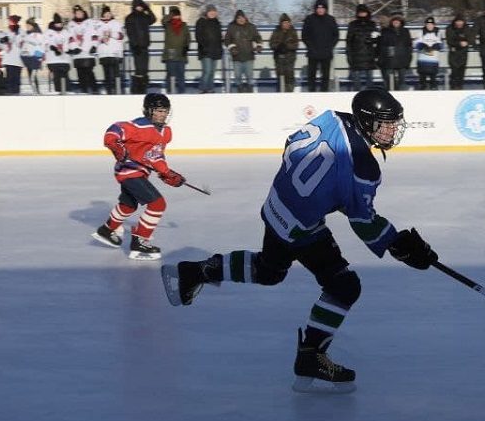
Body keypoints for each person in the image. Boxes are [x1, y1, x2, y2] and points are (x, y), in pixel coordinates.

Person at [159, 87, 438, 394]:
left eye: (394, 123)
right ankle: (311, 358)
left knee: (269, 271)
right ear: (366, 121)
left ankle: (194, 271)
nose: (392, 130)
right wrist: (400, 246)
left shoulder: (332, 119)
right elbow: (365, 222)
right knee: (344, 286)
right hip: (300, 224)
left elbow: (290, 143)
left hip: (278, 202)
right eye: (386, 124)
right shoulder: (363, 166)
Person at [91, 93, 187, 261]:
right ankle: (140, 241)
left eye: (165, 111)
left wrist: (166, 172)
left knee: (128, 205)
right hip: (128, 172)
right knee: (158, 204)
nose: (163, 114)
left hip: (139, 173)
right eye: (159, 111)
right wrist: (116, 146)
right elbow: (114, 131)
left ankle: (106, 230)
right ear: (149, 111)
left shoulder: (165, 132)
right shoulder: (139, 126)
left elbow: (155, 156)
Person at [302, 0, 339, 92]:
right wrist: (310, 47)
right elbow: (304, 35)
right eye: (318, 8)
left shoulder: (331, 19)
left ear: (325, 9)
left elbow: (336, 35)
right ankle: (311, 92)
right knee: (311, 75)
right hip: (313, 53)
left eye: (322, 8)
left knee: (325, 76)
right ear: (315, 9)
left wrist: (330, 46)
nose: (320, 10)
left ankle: (324, 93)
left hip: (326, 53)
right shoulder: (309, 19)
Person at [224, 9, 263, 92]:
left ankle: (250, 91)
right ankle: (240, 91)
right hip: (236, 56)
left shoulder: (251, 27)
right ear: (236, 19)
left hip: (249, 55)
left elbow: (257, 37)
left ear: (245, 18)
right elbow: (227, 40)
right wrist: (232, 48)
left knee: (249, 76)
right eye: (238, 18)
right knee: (237, 76)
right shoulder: (231, 27)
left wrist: (259, 45)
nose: (241, 19)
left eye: (242, 18)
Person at [125, 0, 156, 94]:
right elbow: (130, 33)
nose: (140, 8)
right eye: (138, 6)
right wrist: (135, 44)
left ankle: (144, 87)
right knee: (139, 69)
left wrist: (148, 9)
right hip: (136, 47)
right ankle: (137, 89)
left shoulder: (145, 16)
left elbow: (153, 19)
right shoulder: (130, 17)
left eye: (141, 6)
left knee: (145, 68)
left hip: (145, 46)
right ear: (134, 7)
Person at [345, 3, 378, 90]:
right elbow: (349, 41)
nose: (362, 14)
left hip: (369, 55)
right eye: (360, 12)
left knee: (370, 80)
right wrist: (349, 54)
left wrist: (372, 40)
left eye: (364, 12)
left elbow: (377, 39)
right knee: (356, 80)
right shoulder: (352, 24)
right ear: (357, 13)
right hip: (356, 55)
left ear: (367, 13)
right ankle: (357, 95)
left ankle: (369, 96)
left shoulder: (372, 24)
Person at [66, 4, 99, 94]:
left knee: (89, 72)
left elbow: (94, 35)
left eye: (80, 12)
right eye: (77, 13)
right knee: (80, 74)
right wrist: (74, 47)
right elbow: (70, 37)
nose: (79, 14)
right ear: (74, 14)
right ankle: (83, 92)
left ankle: (94, 91)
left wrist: (94, 46)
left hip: (88, 52)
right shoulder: (71, 24)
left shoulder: (90, 22)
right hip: (78, 54)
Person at [377, 13, 411, 90]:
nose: (396, 22)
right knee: (389, 82)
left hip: (402, 60)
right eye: (394, 21)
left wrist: (408, 60)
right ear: (391, 22)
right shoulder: (385, 31)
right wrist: (381, 60)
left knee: (402, 82)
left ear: (401, 22)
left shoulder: (405, 31)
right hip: (389, 61)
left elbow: (409, 46)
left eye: (398, 21)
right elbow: (382, 46)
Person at [96, 5, 126, 95]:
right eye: (106, 13)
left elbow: (122, 36)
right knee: (107, 75)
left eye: (109, 13)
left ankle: (117, 92)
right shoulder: (98, 24)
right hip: (104, 53)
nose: (107, 15)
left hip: (115, 53)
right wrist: (101, 39)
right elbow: (94, 38)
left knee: (116, 75)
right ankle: (109, 93)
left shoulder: (116, 23)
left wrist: (111, 34)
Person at [195, 4, 223, 93]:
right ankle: (203, 88)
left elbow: (219, 37)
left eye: (214, 12)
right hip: (205, 51)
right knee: (207, 70)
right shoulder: (201, 21)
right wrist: (204, 46)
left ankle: (210, 88)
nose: (212, 13)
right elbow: (198, 36)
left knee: (212, 71)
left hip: (216, 50)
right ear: (207, 12)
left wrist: (220, 46)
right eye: (211, 11)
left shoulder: (217, 22)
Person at [161, 6, 190, 94]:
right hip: (170, 52)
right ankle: (169, 91)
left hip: (181, 52)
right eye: (175, 15)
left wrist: (186, 47)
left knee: (181, 74)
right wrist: (171, 15)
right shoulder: (167, 24)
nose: (177, 17)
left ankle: (182, 92)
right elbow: (163, 20)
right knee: (170, 74)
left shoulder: (184, 25)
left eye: (178, 15)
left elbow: (188, 37)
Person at [43, 13, 72, 95]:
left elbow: (70, 42)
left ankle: (67, 93)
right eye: (57, 23)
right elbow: (45, 43)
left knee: (65, 77)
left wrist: (70, 49)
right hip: (53, 60)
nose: (59, 25)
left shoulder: (66, 32)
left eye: (60, 23)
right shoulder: (48, 32)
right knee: (57, 77)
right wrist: (53, 48)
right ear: (54, 23)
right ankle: (59, 93)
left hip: (65, 60)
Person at [270, 13, 299, 92]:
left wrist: (287, 46)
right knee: (280, 77)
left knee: (290, 77)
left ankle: (289, 93)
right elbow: (271, 44)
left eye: (288, 22)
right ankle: (280, 94)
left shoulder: (293, 31)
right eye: (284, 23)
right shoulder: (276, 31)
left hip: (290, 58)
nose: (286, 24)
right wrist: (278, 46)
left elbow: (296, 45)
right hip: (279, 59)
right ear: (281, 23)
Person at [444, 14, 474, 89]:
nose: (459, 23)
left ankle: (460, 88)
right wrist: (459, 43)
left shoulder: (467, 29)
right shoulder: (449, 28)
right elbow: (449, 41)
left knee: (461, 74)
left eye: (461, 21)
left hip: (463, 55)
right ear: (455, 22)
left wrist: (467, 42)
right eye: (458, 21)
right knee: (454, 73)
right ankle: (453, 88)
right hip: (453, 54)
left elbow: (471, 39)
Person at [414, 16, 443, 90]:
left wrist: (434, 46)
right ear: (425, 25)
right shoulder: (421, 32)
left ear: (434, 25)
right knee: (422, 82)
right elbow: (416, 44)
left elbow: (441, 45)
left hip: (433, 61)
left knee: (433, 82)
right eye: (428, 24)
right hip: (422, 62)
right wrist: (423, 45)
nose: (429, 26)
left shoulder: (438, 33)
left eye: (431, 24)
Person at [0, 15, 24, 95]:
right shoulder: (6, 30)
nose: (9, 22)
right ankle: (10, 92)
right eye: (9, 21)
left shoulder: (21, 31)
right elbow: (2, 43)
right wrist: (5, 41)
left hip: (18, 59)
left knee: (16, 78)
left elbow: (21, 43)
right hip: (9, 59)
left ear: (15, 21)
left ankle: (16, 92)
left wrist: (16, 36)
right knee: (9, 77)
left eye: (11, 21)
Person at [20, 18, 45, 94]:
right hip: (28, 58)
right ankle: (35, 92)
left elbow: (41, 46)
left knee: (32, 77)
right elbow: (25, 46)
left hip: (35, 58)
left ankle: (36, 93)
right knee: (31, 77)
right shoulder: (27, 34)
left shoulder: (38, 34)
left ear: (32, 25)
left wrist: (39, 58)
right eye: (26, 25)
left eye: (28, 25)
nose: (27, 27)